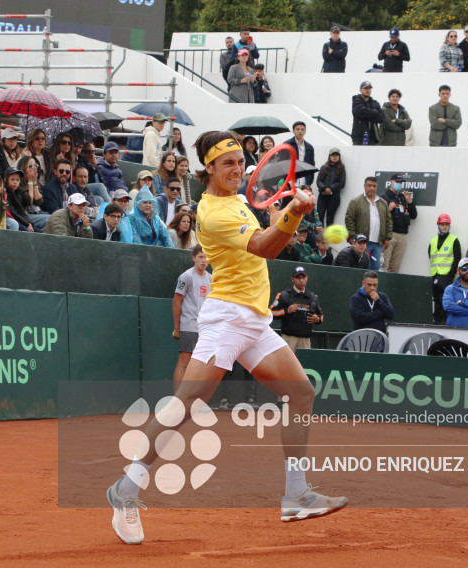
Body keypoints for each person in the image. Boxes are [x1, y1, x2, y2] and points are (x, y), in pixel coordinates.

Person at [107, 130, 346, 546]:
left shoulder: (238, 201)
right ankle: (125, 488)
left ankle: (296, 493)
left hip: (254, 318)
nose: (237, 170)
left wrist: (287, 211)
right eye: (228, 164)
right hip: (227, 318)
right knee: (185, 404)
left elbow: (269, 227)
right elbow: (265, 247)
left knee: (301, 393)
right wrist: (293, 213)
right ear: (209, 170)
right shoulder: (216, 212)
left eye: (240, 162)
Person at [171, 244, 211, 393]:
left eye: (206, 258)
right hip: (189, 325)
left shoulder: (211, 279)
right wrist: (177, 327)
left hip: (204, 328)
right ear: (193, 258)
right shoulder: (186, 276)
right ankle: (176, 400)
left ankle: (192, 399)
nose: (203, 261)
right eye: (200, 257)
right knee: (184, 362)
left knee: (199, 364)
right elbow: (176, 301)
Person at [270, 266, 324, 354]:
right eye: (298, 277)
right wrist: (286, 310)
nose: (301, 280)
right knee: (286, 365)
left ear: (307, 278)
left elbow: (321, 316)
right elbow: (270, 313)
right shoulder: (283, 295)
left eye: (303, 277)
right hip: (288, 339)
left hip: (305, 340)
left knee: (305, 366)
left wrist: (317, 319)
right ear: (292, 279)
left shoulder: (313, 297)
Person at [344, 176, 392, 271]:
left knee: (375, 271)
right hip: (362, 244)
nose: (372, 188)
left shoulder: (383, 203)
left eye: (374, 186)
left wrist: (387, 238)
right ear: (364, 186)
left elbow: (389, 221)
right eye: (369, 185)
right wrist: (354, 238)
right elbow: (349, 220)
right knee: (359, 269)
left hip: (378, 244)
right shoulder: (355, 202)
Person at [428, 213, 461, 325]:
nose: (444, 226)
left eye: (446, 224)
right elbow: (431, 256)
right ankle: (436, 321)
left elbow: (457, 258)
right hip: (435, 275)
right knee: (436, 300)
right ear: (438, 225)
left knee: (445, 301)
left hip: (446, 276)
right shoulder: (432, 241)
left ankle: (444, 322)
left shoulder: (454, 240)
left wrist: (451, 274)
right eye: (442, 224)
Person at [380, 173, 416, 273]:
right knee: (384, 265)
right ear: (391, 182)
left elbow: (413, 216)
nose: (399, 184)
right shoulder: (384, 196)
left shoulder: (403, 197)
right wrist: (388, 209)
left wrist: (410, 202)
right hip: (389, 235)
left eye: (401, 182)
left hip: (402, 235)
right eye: (397, 182)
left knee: (395, 268)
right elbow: (377, 216)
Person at [315, 148, 345, 227]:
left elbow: (342, 183)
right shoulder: (323, 167)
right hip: (322, 196)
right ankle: (320, 238)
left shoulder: (341, 168)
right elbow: (318, 181)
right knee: (319, 217)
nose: (335, 157)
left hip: (334, 197)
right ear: (329, 156)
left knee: (330, 219)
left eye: (337, 155)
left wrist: (331, 188)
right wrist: (324, 188)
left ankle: (328, 239)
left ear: (339, 157)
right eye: (333, 155)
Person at [351, 80, 384, 146]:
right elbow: (360, 111)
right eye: (365, 88)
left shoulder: (375, 103)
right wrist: (374, 112)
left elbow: (381, 118)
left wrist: (367, 115)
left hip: (373, 138)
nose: (368, 90)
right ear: (360, 90)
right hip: (359, 138)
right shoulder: (356, 101)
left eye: (369, 88)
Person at [284, 121, 315, 186]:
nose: (300, 131)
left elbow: (312, 164)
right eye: (297, 129)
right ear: (293, 131)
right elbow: (282, 162)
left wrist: (310, 181)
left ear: (305, 131)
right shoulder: (287, 144)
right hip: (290, 181)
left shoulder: (309, 147)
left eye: (302, 129)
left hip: (305, 182)